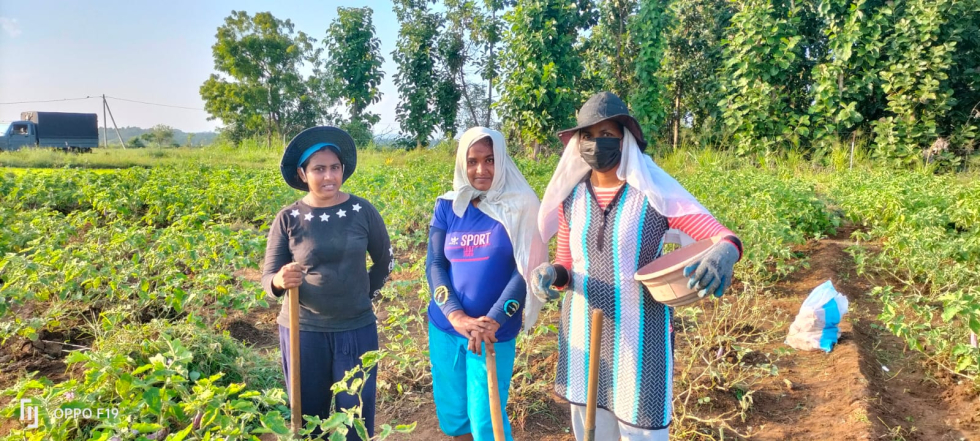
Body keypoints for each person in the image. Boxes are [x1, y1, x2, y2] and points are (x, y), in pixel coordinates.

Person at [531, 92, 744, 441]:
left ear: (625, 141)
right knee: (592, 429)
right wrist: (551, 275)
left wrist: (725, 253)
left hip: (641, 334)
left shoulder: (652, 193)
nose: (597, 143)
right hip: (583, 331)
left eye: (608, 135)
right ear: (578, 143)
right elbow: (566, 265)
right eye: (589, 135)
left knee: (642, 430)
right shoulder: (570, 198)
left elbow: (721, 236)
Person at [261, 126, 394, 440]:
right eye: (319, 169)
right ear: (302, 173)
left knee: (355, 416)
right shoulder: (288, 218)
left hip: (356, 329)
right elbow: (267, 278)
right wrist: (280, 281)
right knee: (308, 418)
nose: (329, 176)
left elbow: (385, 260)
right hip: (304, 331)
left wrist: (363, 294)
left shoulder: (362, 211)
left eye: (335, 167)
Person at [425, 127, 548, 441]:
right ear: (462, 164)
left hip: (493, 332)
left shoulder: (521, 206)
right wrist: (455, 315)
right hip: (447, 327)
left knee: (486, 419)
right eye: (473, 161)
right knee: (454, 416)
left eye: (490, 159)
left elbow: (525, 270)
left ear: (503, 160)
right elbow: (436, 264)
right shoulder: (448, 206)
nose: (481, 169)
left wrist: (493, 319)